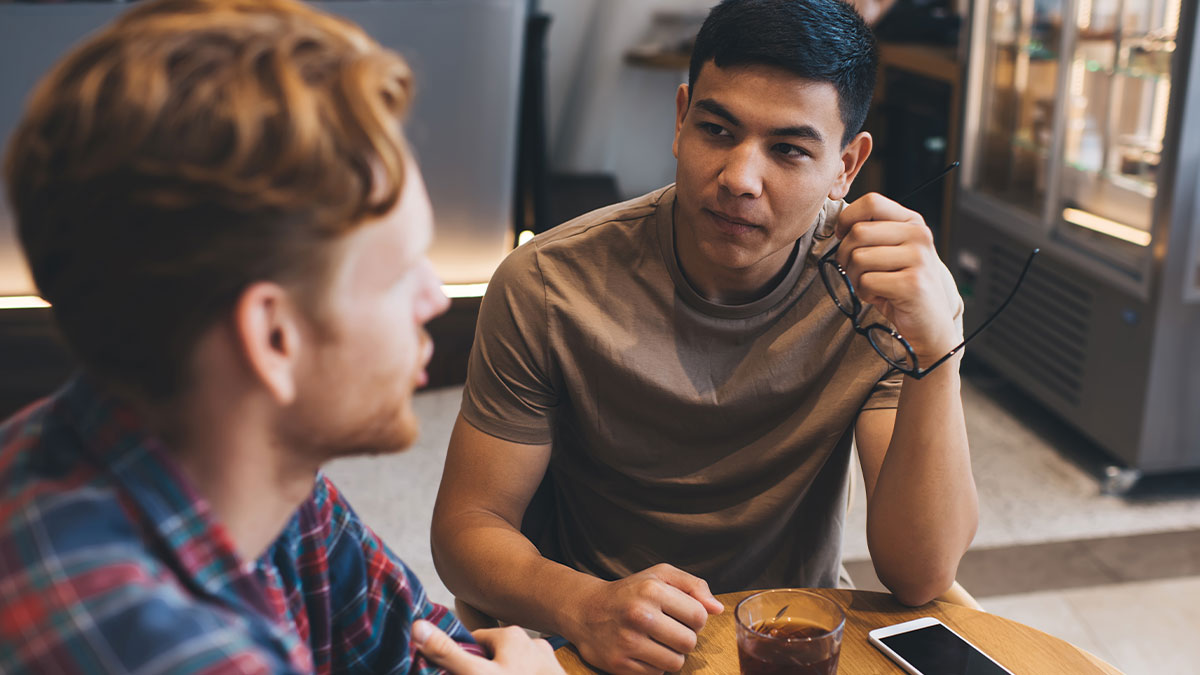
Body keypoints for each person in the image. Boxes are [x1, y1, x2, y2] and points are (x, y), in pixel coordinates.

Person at [0, 1, 563, 673]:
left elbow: (435, 652)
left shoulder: (266, 474)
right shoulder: (154, 646)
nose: (436, 298)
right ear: (273, 338)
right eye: (399, 273)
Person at [431, 0, 977, 673]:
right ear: (681, 117)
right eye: (718, 130)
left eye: (789, 149)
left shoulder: (871, 293)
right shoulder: (547, 282)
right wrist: (585, 604)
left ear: (846, 164)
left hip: (784, 641)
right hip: (600, 641)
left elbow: (919, 575)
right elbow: (467, 527)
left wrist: (937, 353)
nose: (740, 179)